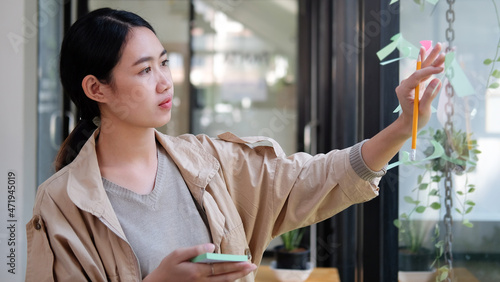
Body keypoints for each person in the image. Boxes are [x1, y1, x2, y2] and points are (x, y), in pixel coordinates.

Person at [25, 7, 445, 282]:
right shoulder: (62, 203)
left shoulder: (209, 162)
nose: (165, 81)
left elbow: (314, 177)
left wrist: (401, 127)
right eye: (144, 70)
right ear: (96, 88)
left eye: (165, 62)